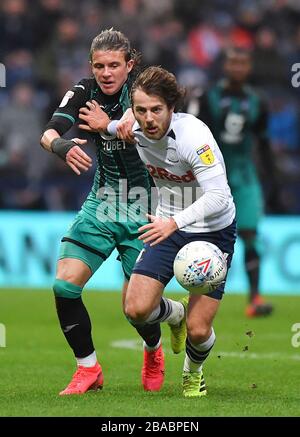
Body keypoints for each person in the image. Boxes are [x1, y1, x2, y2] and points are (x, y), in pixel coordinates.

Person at [40, 30, 186, 395]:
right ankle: (88, 369)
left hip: (146, 207)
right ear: (92, 66)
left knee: (136, 310)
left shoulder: (143, 93)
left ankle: (159, 339)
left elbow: (150, 130)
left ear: (129, 65)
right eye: (100, 66)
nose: (106, 73)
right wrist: (60, 145)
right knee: (64, 284)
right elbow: (48, 132)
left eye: (114, 65)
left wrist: (115, 124)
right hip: (102, 202)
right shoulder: (83, 91)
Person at [98, 66, 236, 397]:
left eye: (156, 110)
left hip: (211, 231)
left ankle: (193, 372)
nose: (148, 118)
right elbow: (111, 127)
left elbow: (219, 196)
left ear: (172, 107)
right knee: (136, 309)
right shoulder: (134, 127)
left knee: (199, 330)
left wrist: (173, 223)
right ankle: (174, 313)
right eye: (141, 110)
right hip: (168, 225)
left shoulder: (194, 137)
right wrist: (105, 126)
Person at [193, 47, 275, 317]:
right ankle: (196, 295)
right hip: (210, 174)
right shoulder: (206, 97)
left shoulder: (258, 101)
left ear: (249, 67)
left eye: (243, 63)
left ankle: (254, 298)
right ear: (225, 66)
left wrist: (271, 178)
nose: (238, 68)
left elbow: (263, 143)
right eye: (233, 62)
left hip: (244, 175)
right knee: (204, 237)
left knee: (250, 234)